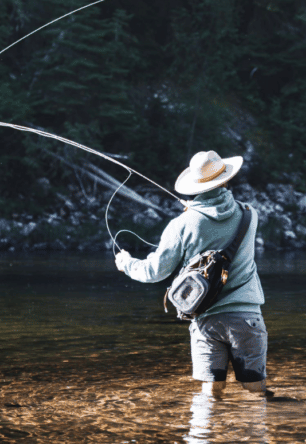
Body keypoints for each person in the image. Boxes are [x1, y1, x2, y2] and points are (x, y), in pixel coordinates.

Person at [115, 150, 271, 399]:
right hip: (247, 319)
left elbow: (154, 272)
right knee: (255, 392)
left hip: (206, 321)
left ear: (195, 184)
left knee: (211, 394)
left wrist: (127, 263)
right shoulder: (251, 215)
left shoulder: (182, 224)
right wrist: (198, 210)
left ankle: (204, 437)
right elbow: (219, 217)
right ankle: (255, 436)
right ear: (226, 179)